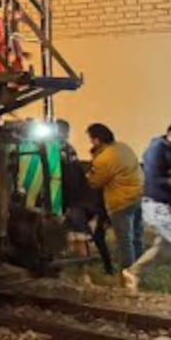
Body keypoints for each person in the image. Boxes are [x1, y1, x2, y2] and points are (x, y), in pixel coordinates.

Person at [85, 123, 144, 278]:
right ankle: (140, 270)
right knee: (137, 236)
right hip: (137, 196)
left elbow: (95, 182)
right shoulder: (123, 147)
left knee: (125, 241)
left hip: (121, 202)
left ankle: (128, 276)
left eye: (91, 139)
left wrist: (90, 170)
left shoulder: (104, 158)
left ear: (97, 140)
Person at [58, 120, 114, 273]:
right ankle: (91, 269)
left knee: (79, 234)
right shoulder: (69, 150)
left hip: (77, 202)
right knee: (78, 234)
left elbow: (72, 180)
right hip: (87, 200)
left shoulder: (61, 151)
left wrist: (68, 204)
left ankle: (86, 271)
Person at [126, 124, 171, 290]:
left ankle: (133, 272)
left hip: (164, 205)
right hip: (156, 206)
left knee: (164, 247)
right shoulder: (156, 150)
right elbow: (153, 180)